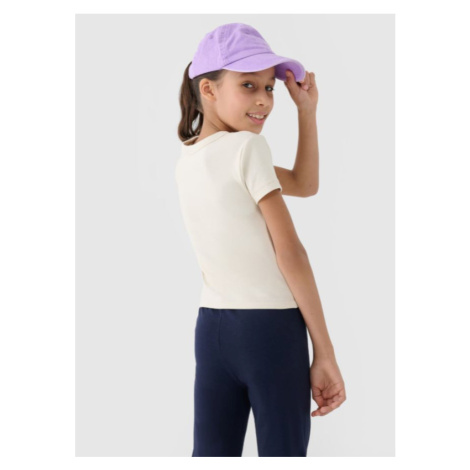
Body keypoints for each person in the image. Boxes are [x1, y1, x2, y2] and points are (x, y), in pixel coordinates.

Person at [175, 22, 346, 457]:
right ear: (208, 89)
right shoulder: (247, 150)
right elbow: (292, 253)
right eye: (248, 85)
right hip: (269, 332)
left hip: (211, 330)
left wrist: (305, 111)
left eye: (269, 87)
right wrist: (324, 351)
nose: (264, 100)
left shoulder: (190, 156)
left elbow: (304, 184)